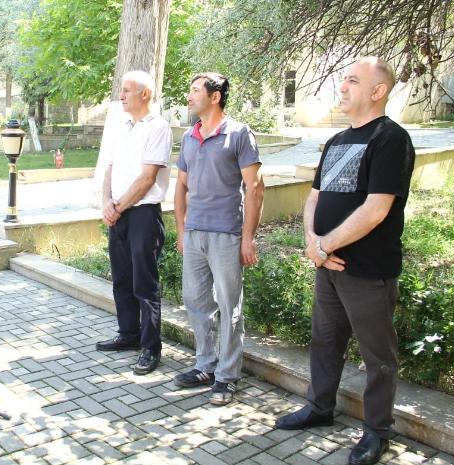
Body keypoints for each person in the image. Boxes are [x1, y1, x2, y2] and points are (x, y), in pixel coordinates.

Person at [274, 57, 415, 465]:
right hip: (328, 267)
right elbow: (314, 198)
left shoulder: (391, 139)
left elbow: (376, 209)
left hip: (368, 272)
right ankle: (319, 407)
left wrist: (323, 246)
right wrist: (312, 243)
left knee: (378, 357)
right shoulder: (337, 141)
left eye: (353, 80)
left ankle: (377, 432)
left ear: (378, 91)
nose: (342, 87)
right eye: (343, 80)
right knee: (325, 342)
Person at [172, 72, 264, 406]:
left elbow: (255, 188)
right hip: (194, 233)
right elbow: (181, 186)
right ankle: (205, 365)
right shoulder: (189, 137)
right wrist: (181, 231)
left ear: (215, 97)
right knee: (196, 302)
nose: (189, 95)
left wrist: (247, 238)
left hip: (226, 233)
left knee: (229, 306)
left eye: (195, 90)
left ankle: (227, 375)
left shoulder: (239, 134)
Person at [95, 70, 172, 376]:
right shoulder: (121, 126)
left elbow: (147, 178)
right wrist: (106, 202)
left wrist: (118, 206)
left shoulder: (158, 127)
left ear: (145, 94)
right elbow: (110, 169)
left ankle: (151, 347)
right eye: (121, 90)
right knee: (122, 278)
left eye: (127, 90)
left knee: (145, 283)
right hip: (118, 213)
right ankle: (128, 333)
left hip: (143, 214)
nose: (121, 95)